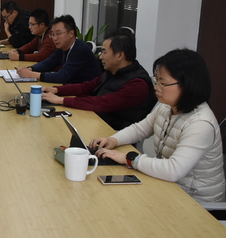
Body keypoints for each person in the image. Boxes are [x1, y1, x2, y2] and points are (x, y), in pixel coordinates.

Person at [91, 48, 225, 203]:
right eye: (156, 81)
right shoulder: (167, 106)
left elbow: (173, 170)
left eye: (163, 83)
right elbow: (140, 129)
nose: (156, 87)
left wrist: (130, 159)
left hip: (196, 201)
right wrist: (113, 140)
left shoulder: (201, 124)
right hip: (169, 186)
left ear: (187, 85)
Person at [41, 29, 156, 130]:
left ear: (120, 55)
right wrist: (56, 90)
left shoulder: (137, 84)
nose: (100, 57)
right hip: (96, 119)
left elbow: (101, 103)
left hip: (112, 132)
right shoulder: (113, 71)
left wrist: (61, 100)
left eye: (104, 52)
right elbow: (87, 87)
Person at [17, 15, 102, 84]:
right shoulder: (62, 48)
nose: (54, 38)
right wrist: (30, 69)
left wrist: (32, 75)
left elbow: (62, 76)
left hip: (87, 94)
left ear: (71, 33)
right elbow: (48, 63)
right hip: (71, 89)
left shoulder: (80, 50)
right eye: (53, 34)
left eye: (58, 33)